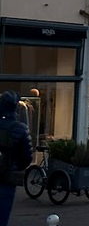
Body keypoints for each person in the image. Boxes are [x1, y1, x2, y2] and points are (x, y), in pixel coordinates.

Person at [0, 91, 32, 226]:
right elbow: (27, 157)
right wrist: (16, 166)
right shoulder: (21, 128)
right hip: (8, 178)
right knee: (3, 216)